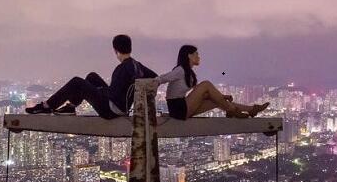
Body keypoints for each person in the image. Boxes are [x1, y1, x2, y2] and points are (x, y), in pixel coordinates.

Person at [25, 34, 157, 119]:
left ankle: (47, 106)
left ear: (115, 50)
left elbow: (115, 93)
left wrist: (98, 91)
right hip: (121, 105)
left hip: (111, 110)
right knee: (91, 76)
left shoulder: (122, 68)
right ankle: (71, 107)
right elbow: (155, 77)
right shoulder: (136, 65)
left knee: (77, 82)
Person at [156, 45, 269, 120]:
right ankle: (232, 111)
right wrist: (154, 83)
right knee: (206, 84)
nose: (199, 57)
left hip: (183, 107)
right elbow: (164, 78)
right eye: (196, 54)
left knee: (216, 101)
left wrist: (221, 97)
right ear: (189, 56)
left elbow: (203, 95)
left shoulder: (189, 73)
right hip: (178, 109)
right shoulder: (180, 70)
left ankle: (251, 110)